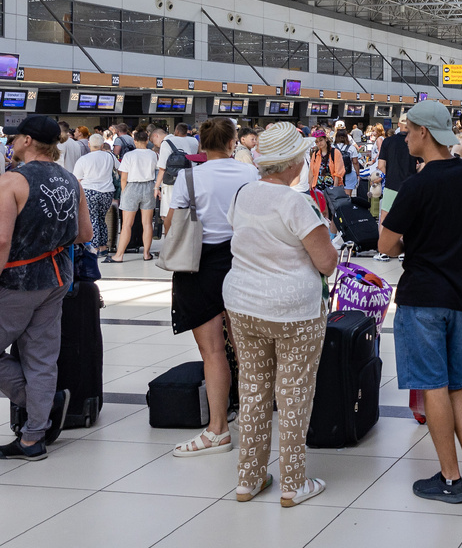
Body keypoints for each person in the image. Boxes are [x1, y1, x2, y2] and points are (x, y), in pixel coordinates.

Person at [378, 100, 462, 504]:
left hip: (423, 296)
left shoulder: (416, 186)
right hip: (461, 297)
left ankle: (449, 479)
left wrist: (418, 240)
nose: (405, 137)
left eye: (409, 131)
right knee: (456, 383)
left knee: (433, 386)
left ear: (424, 133)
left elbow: (386, 244)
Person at [0, 115, 93, 461]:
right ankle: (32, 437)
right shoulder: (70, 179)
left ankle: (43, 404)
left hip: (18, 282)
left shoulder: (13, 180)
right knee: (41, 358)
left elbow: (1, 240)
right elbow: (86, 234)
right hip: (57, 279)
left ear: (25, 141)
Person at [223, 122, 336, 507]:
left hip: (243, 305)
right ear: (292, 162)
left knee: (253, 392)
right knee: (294, 396)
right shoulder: (296, 202)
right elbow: (326, 262)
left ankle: (248, 479)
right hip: (295, 312)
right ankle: (292, 483)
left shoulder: (242, 195)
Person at [165, 117, 259, 457]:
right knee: (247, 349)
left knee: (213, 353)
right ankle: (254, 420)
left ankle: (218, 429)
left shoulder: (189, 176)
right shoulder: (249, 173)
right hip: (240, 262)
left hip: (198, 266)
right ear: (234, 141)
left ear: (201, 144)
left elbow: (172, 223)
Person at [105, 129, 157, 263]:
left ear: (134, 141)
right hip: (149, 186)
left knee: (127, 224)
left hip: (132, 187)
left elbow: (123, 177)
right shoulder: (153, 155)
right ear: (147, 140)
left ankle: (119, 255)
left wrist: (124, 191)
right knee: (147, 223)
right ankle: (146, 254)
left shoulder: (129, 155)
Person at [374, 115, 415, 260]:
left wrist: (390, 174)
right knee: (407, 217)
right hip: (410, 186)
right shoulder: (415, 141)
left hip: (391, 185)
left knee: (385, 216)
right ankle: (403, 251)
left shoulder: (388, 142)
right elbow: (422, 165)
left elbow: (381, 166)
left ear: (399, 124)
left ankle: (383, 251)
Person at [73, 134, 119, 257]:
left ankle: (95, 247)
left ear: (89, 144)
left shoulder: (84, 159)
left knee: (92, 219)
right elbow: (119, 169)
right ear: (102, 144)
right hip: (107, 192)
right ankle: (103, 246)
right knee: (101, 219)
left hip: (89, 191)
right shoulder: (110, 156)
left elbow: (77, 179)